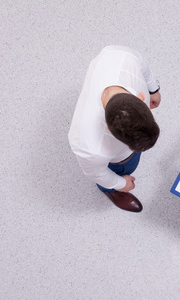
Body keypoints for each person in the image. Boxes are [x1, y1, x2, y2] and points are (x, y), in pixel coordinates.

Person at [69, 45, 161, 212]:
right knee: (116, 174)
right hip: (117, 162)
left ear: (141, 98)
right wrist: (121, 183)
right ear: (110, 130)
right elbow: (96, 173)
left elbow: (142, 64)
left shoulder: (121, 57)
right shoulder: (88, 146)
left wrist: (153, 89)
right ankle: (111, 192)